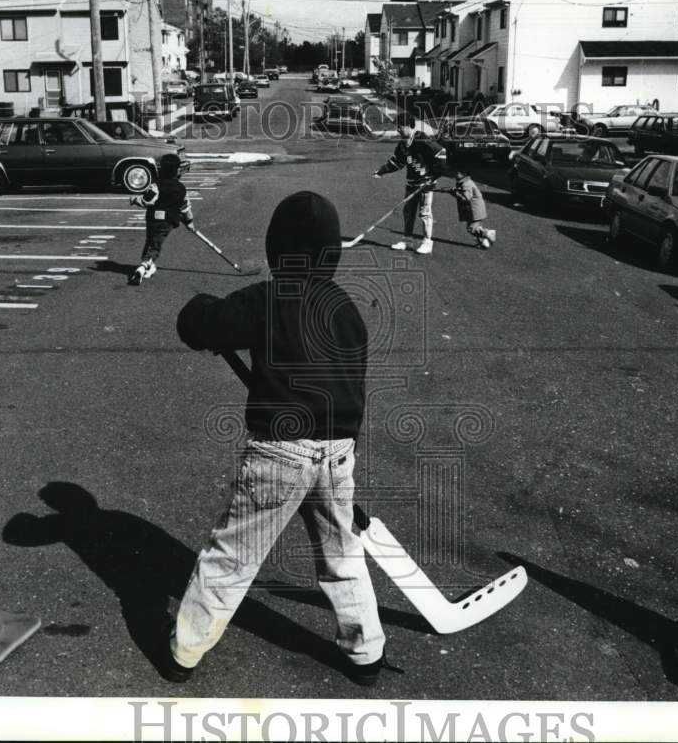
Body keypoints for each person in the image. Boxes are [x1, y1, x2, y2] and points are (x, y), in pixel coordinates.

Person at [167, 191, 388, 686]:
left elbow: (204, 325)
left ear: (276, 249)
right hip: (337, 450)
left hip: (280, 452)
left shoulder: (269, 298)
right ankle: (366, 651)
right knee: (342, 556)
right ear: (331, 253)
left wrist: (199, 307)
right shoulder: (346, 309)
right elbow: (351, 381)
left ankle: (185, 650)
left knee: (233, 554)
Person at [374, 112, 447, 255]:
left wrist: (433, 176)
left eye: (400, 127)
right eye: (397, 127)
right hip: (411, 183)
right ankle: (407, 239)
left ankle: (427, 242)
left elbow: (441, 153)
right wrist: (381, 171)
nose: (398, 130)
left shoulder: (421, 139)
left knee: (425, 213)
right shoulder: (402, 144)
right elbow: (396, 162)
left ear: (409, 126)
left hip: (425, 184)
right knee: (408, 212)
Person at [129, 153, 193, 285]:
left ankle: (147, 265)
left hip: (153, 219)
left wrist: (135, 199)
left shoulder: (156, 185)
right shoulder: (181, 189)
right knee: (155, 244)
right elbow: (185, 207)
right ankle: (144, 266)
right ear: (177, 171)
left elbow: (148, 200)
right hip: (167, 221)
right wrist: (189, 221)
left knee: (151, 241)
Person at [446, 166, 496, 249]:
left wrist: (454, 193)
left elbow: (466, 198)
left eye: (457, 173)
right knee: (476, 228)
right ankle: (484, 243)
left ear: (463, 174)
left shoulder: (466, 184)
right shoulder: (465, 182)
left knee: (471, 229)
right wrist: (455, 190)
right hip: (475, 209)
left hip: (475, 210)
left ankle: (488, 233)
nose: (455, 174)